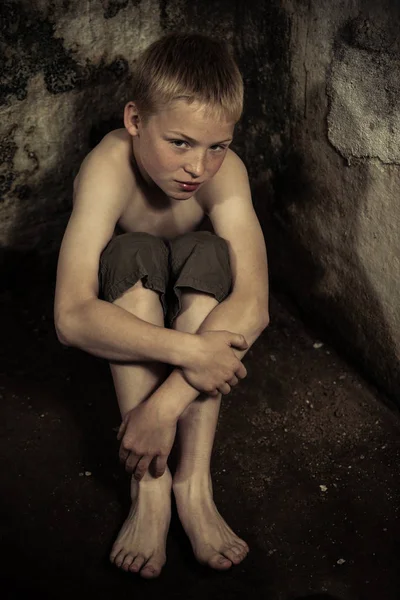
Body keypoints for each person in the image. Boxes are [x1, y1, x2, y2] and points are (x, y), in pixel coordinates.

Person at [54, 32, 269, 579]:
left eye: (216, 146)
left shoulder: (227, 176)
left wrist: (164, 405)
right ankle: (148, 487)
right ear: (134, 120)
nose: (199, 166)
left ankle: (192, 485)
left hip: (194, 307)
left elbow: (254, 303)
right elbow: (71, 315)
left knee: (209, 253)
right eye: (179, 143)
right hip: (138, 302)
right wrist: (194, 356)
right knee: (132, 251)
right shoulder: (108, 166)